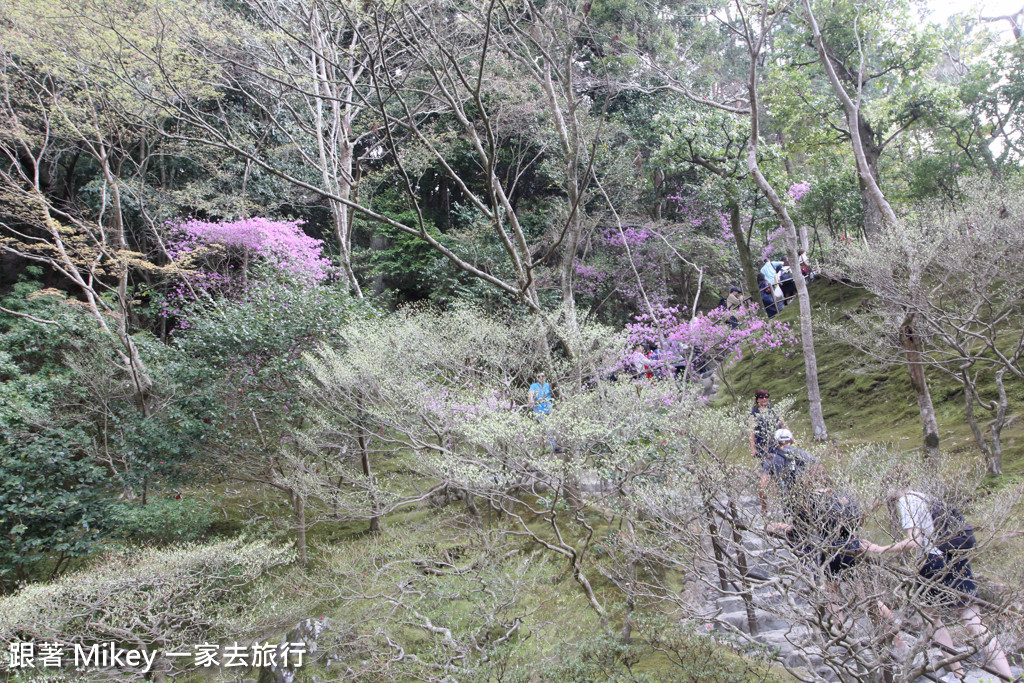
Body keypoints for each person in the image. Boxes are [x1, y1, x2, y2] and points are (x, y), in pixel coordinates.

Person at [862, 466, 1013, 681]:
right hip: (956, 558)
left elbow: (915, 541)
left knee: (931, 619)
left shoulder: (907, 501)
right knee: (973, 619)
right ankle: (1008, 676)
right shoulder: (928, 497)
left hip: (934, 561)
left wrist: (879, 549)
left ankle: (957, 673)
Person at [749, 391, 788, 463]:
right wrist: (753, 448)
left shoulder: (775, 410)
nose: (764, 399)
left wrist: (792, 439)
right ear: (757, 400)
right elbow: (751, 433)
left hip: (778, 444)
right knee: (768, 467)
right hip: (763, 447)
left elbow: (784, 425)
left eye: (766, 397)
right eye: (761, 397)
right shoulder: (754, 415)